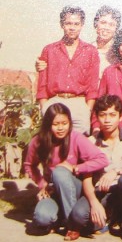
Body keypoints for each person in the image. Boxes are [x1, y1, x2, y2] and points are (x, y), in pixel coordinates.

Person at [23, 103, 108, 241]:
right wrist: (42, 184)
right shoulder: (38, 141)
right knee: (41, 218)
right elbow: (29, 165)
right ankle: (61, 219)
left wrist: (76, 168)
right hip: (54, 190)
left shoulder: (76, 138)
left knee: (60, 172)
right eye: (56, 124)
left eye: (64, 123)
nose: (61, 128)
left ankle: (73, 225)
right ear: (48, 124)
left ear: (70, 123)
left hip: (77, 188)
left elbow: (102, 159)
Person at [69, 95, 122, 241]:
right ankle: (109, 217)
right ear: (97, 117)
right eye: (102, 115)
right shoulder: (90, 141)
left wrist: (116, 171)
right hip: (101, 192)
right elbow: (87, 178)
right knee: (78, 216)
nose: (107, 120)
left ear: (121, 116)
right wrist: (94, 203)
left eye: (112, 115)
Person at [36, 6, 99, 135]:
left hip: (79, 103)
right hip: (55, 101)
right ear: (61, 24)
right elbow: (42, 85)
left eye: (76, 24)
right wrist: (44, 107)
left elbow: (92, 86)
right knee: (52, 146)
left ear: (81, 25)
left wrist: (87, 109)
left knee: (79, 145)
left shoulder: (90, 51)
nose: (72, 27)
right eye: (68, 23)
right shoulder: (49, 50)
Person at [93, 5, 122, 76]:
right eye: (103, 23)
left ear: (116, 29)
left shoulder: (121, 53)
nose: (106, 27)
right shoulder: (86, 49)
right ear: (96, 24)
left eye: (111, 25)